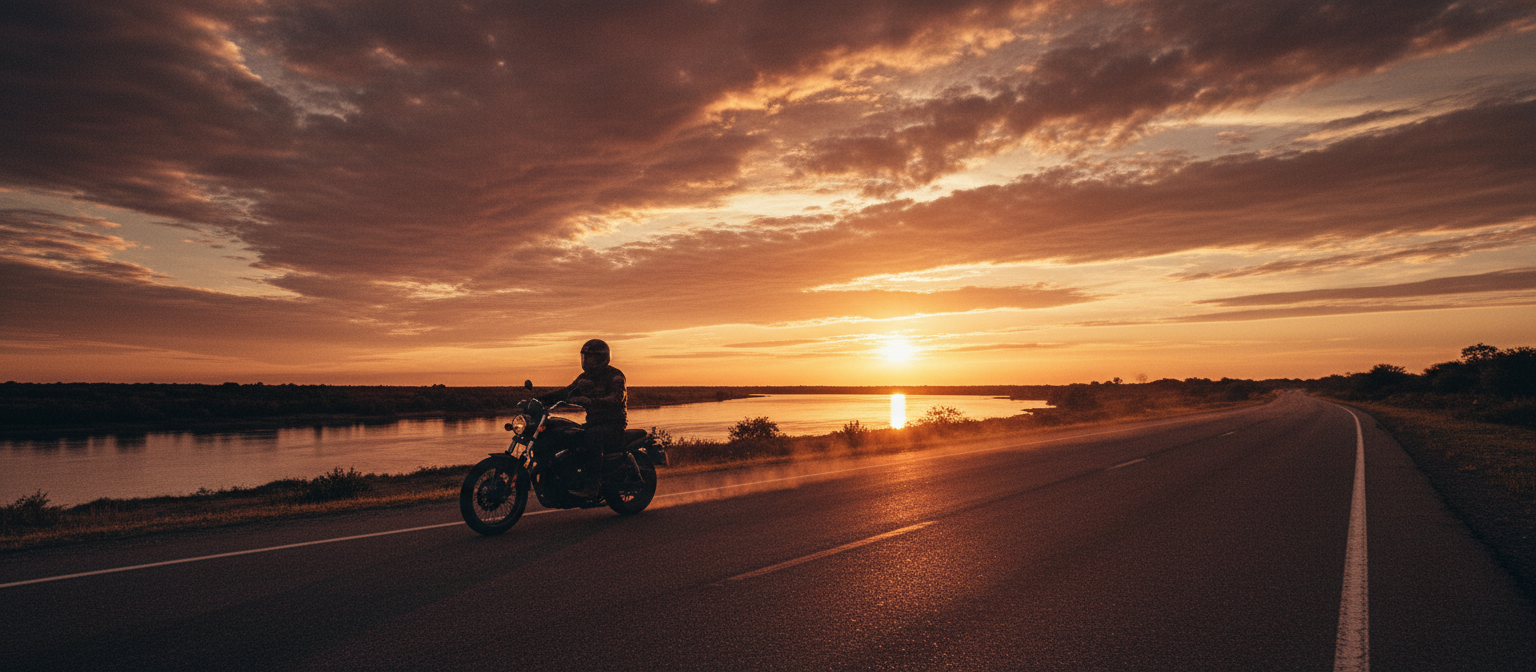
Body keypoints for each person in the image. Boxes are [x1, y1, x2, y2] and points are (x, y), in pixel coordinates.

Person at [537, 339, 627, 497]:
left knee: (593, 436)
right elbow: (567, 392)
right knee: (567, 434)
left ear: (602, 358)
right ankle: (563, 477)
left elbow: (616, 398)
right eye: (586, 357)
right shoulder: (584, 378)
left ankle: (593, 486)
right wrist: (540, 400)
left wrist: (592, 401)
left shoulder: (615, 375)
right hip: (592, 423)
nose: (588, 361)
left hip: (614, 424)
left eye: (592, 358)